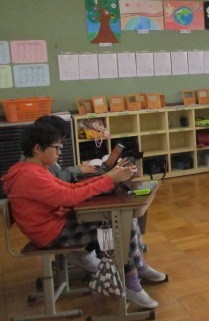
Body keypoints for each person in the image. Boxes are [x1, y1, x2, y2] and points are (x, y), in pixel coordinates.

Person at [2, 123, 165, 309]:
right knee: (121, 226)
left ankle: (137, 267)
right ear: (38, 148)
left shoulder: (34, 169)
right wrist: (109, 180)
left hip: (55, 224)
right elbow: (69, 197)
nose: (59, 152)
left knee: (126, 220)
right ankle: (131, 282)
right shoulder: (30, 176)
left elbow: (69, 187)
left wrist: (107, 177)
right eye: (56, 147)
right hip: (51, 234)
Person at [34, 115, 98, 181]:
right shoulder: (40, 163)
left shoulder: (46, 157)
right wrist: (78, 170)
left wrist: (75, 169)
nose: (59, 152)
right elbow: (58, 180)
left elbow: (59, 173)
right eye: (56, 146)